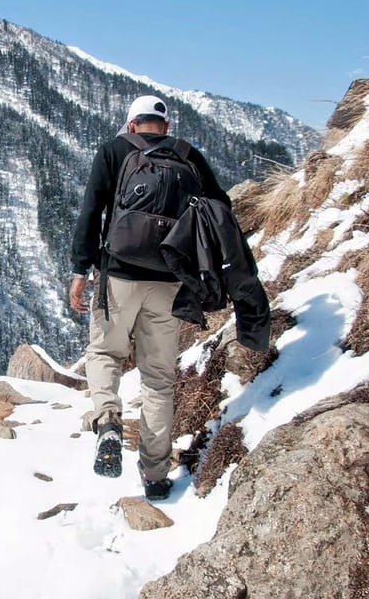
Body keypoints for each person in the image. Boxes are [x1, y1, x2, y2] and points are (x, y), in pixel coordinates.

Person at [69, 95, 231, 500]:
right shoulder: (188, 156)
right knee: (158, 380)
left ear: (130, 124)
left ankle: (107, 419)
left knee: (105, 353)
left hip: (119, 276)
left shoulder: (113, 150)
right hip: (169, 281)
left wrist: (80, 268)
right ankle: (156, 476)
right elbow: (220, 210)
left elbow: (92, 211)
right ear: (166, 126)